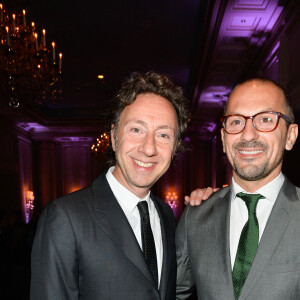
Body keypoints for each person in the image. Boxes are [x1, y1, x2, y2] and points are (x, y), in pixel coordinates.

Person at [30, 71, 212, 300]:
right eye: (136, 130)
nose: (149, 148)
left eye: (163, 135)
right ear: (114, 137)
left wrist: (213, 207)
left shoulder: (165, 214)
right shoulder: (66, 218)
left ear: (175, 147)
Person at [176, 78, 299, 300]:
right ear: (223, 139)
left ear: (290, 136)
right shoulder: (195, 217)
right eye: (235, 122)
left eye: (265, 119)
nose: (248, 135)